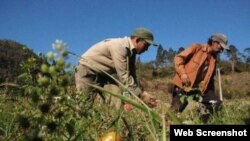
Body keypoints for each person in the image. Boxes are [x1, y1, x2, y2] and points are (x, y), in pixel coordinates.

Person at [75, 27, 159, 108]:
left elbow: (132, 74)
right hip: (87, 70)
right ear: (138, 40)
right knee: (84, 102)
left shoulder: (132, 53)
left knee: (116, 95)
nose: (147, 49)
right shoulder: (120, 46)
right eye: (146, 45)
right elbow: (124, 76)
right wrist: (142, 96)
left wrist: (143, 93)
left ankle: (113, 120)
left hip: (103, 75)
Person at [170, 33, 230, 121]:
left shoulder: (214, 60)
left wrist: (212, 94)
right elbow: (178, 58)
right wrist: (183, 74)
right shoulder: (196, 48)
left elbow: (210, 79)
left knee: (215, 103)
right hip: (184, 85)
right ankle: (165, 127)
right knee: (175, 110)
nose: (221, 50)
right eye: (221, 47)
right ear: (214, 42)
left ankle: (201, 123)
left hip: (200, 89)